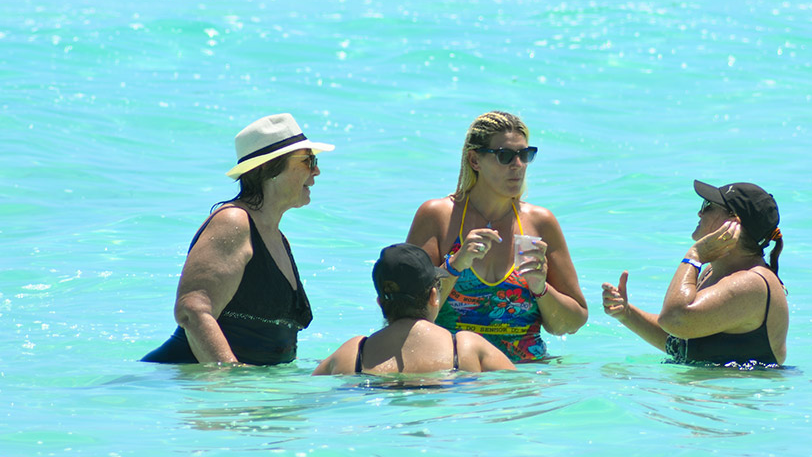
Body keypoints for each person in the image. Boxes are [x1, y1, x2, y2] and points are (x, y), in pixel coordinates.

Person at [142, 113, 333, 365]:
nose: (317, 170)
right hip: (187, 380)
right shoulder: (233, 222)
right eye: (308, 160)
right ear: (268, 168)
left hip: (243, 390)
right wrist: (231, 381)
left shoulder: (277, 238)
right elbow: (192, 310)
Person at [405, 111, 588, 362]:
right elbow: (408, 316)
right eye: (505, 156)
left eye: (525, 155)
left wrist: (541, 288)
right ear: (474, 160)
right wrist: (455, 265)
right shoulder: (438, 216)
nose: (518, 165)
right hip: (457, 374)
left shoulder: (540, 222)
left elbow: (571, 323)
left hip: (523, 377)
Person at [602, 180, 788, 367]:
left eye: (708, 206)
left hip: (740, 394)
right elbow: (681, 337)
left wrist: (694, 255)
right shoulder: (713, 272)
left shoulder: (752, 283)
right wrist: (627, 313)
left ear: (731, 223)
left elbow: (675, 319)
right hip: (716, 391)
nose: (700, 213)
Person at [313, 243, 516, 375]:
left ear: (380, 303)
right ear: (434, 296)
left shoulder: (352, 354)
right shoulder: (466, 348)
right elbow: (518, 390)